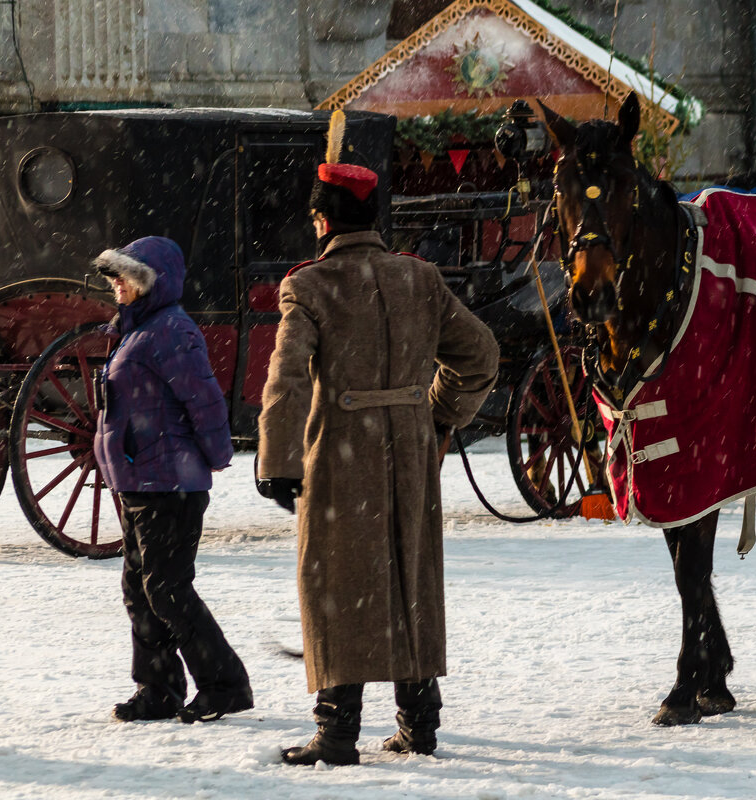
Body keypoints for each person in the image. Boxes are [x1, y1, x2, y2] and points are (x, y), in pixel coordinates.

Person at [256, 116, 499, 767]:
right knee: (408, 580)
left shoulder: (307, 285)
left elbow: (285, 376)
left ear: (322, 222)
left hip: (340, 456)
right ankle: (419, 725)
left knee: (337, 584)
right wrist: (438, 417)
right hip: (412, 455)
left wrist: (278, 462)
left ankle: (337, 733)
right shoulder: (420, 279)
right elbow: (480, 356)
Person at [92, 236, 253, 724]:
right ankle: (158, 689)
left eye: (125, 276)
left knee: (166, 588)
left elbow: (202, 400)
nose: (116, 284)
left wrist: (218, 453)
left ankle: (224, 684)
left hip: (171, 484)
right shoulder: (134, 330)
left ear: (149, 283)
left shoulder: (171, 331)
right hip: (140, 481)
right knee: (141, 590)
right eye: (114, 276)